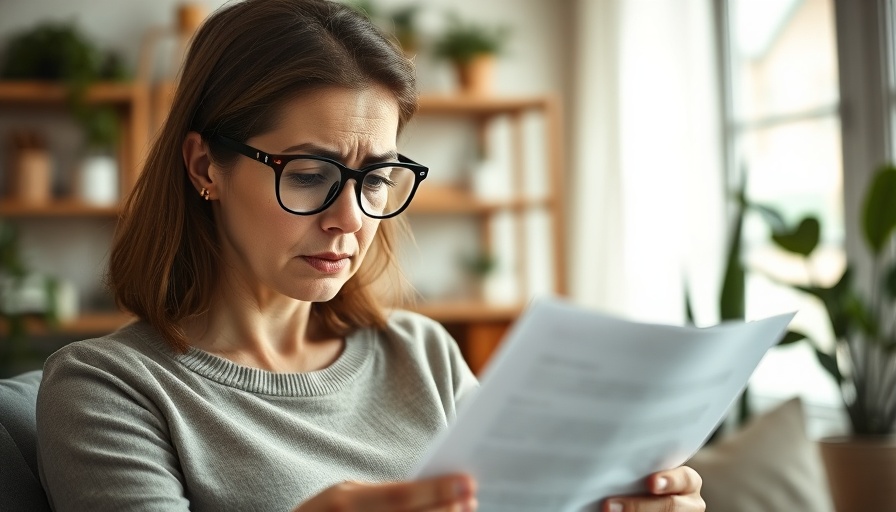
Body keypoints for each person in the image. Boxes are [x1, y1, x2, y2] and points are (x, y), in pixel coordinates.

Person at [35, 1, 705, 511]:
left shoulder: (422, 354)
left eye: (376, 177)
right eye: (307, 173)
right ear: (206, 163)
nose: (351, 219)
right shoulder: (108, 390)